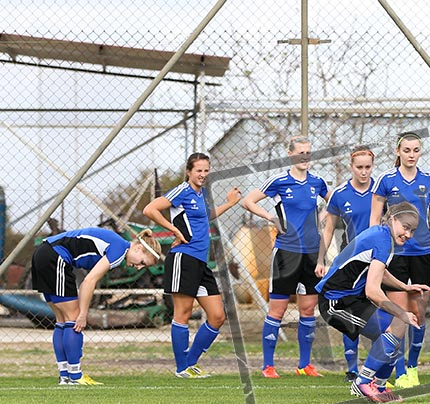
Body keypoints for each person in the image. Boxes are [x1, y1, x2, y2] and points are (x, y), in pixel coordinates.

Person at [317, 202, 430, 402]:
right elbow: (372, 291)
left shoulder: (383, 236)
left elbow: (380, 271)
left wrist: (405, 287)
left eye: (412, 230)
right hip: (335, 301)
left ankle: (378, 386)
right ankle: (362, 383)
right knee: (395, 325)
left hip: (351, 298)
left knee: (397, 328)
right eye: (405, 227)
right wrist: (401, 312)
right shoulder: (382, 239)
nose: (409, 234)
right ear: (393, 219)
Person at [143, 152, 241, 379]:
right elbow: (150, 209)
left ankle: (190, 363)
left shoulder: (202, 194)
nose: (203, 175)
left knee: (217, 316)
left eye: (206, 171)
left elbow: (205, 218)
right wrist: (174, 230)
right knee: (183, 313)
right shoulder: (182, 191)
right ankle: (182, 368)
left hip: (200, 262)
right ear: (189, 171)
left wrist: (229, 203)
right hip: (183, 259)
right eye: (199, 170)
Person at [241, 136, 330, 378]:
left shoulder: (317, 182)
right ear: (290, 154)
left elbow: (335, 203)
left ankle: (304, 365)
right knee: (277, 311)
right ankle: (268, 366)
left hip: (312, 254)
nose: (305, 157)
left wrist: (322, 219)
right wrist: (270, 218)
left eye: (308, 152)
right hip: (286, 253)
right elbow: (247, 201)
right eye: (300, 152)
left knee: (308, 310)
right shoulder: (279, 181)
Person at [31, 226, 162, 385]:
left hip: (43, 253)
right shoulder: (120, 249)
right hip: (55, 257)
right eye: (142, 262)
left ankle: (65, 376)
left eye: (144, 267)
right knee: (74, 321)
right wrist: (83, 314)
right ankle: (75, 376)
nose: (139, 267)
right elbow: (89, 281)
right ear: (139, 248)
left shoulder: (118, 246)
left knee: (62, 320)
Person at [370, 131, 430, 388]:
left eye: (416, 150)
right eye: (407, 150)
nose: (411, 155)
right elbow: (374, 219)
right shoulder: (385, 180)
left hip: (423, 253)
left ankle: (413, 367)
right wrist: (375, 248)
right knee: (399, 314)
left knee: (419, 314)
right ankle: (399, 372)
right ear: (398, 152)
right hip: (395, 255)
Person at [318, 146, 375, 383]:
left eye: (368, 167)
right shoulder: (340, 194)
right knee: (349, 312)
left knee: (378, 313)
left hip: (379, 259)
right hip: (352, 262)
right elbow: (329, 228)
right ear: (351, 167)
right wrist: (320, 259)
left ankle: (379, 368)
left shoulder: (380, 191)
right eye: (359, 167)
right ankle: (352, 369)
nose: (363, 172)